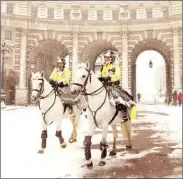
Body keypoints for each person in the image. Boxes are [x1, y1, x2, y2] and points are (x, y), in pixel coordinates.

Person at [98, 50, 135, 121]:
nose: (106, 59)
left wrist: (110, 77)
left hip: (113, 86)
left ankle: (124, 113)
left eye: (108, 58)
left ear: (112, 58)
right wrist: (100, 77)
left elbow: (118, 76)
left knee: (119, 98)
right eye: (105, 57)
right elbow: (99, 74)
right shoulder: (102, 67)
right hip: (104, 86)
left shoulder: (115, 66)